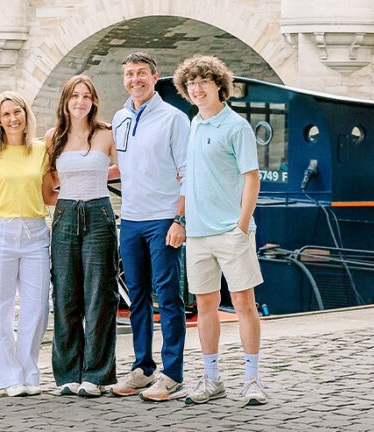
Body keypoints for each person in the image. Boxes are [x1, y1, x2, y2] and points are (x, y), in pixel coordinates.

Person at [172, 55, 267, 406]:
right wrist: (183, 221)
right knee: (205, 306)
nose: (197, 89)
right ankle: (212, 379)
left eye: (203, 82)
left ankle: (252, 379)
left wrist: (242, 226)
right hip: (198, 234)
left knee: (244, 303)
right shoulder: (194, 124)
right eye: (191, 83)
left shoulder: (236, 126)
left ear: (218, 86)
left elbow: (251, 179)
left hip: (230, 231)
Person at [110, 52, 190, 401]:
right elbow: (123, 167)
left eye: (141, 73)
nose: (135, 79)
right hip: (130, 218)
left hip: (163, 218)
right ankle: (143, 367)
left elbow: (188, 171)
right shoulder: (119, 117)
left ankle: (172, 373)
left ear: (154, 77)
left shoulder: (174, 118)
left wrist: (180, 219)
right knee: (137, 296)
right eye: (129, 74)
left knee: (168, 295)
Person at [45, 75, 119, 398]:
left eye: (86, 96)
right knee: (65, 295)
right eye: (74, 95)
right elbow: (48, 190)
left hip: (100, 214)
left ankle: (96, 373)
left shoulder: (106, 135)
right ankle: (67, 374)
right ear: (65, 100)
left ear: (94, 101)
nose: (80, 101)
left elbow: (132, 170)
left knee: (100, 296)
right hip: (64, 216)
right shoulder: (53, 138)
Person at [0, 91, 57, 397]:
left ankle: (28, 370)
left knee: (37, 306)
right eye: (5, 115)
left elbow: (50, 194)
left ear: (26, 115)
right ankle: (9, 375)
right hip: (0, 232)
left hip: (36, 231)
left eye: (17, 112)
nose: (13, 119)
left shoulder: (41, 151)